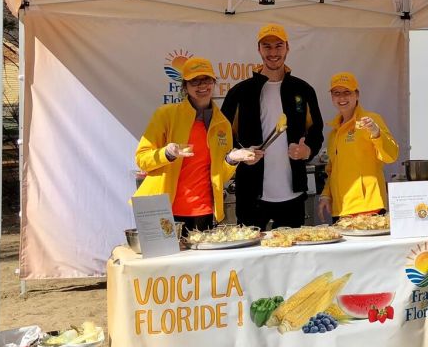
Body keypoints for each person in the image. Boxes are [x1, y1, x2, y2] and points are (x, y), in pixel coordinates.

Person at [134, 57, 260, 236]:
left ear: (214, 83)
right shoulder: (166, 115)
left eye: (206, 79)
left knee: (202, 265)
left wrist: (232, 159)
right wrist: (167, 153)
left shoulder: (222, 123)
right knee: (168, 264)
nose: (202, 86)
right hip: (164, 211)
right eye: (195, 81)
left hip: (204, 212)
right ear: (185, 87)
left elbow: (220, 175)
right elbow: (142, 159)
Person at [221, 23, 323, 229]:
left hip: (293, 194)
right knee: (250, 258)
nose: (273, 52)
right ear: (259, 49)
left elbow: (316, 131)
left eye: (279, 46)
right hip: (251, 194)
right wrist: (238, 154)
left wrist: (307, 150)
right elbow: (222, 136)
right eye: (267, 46)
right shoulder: (240, 92)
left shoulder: (303, 90)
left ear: (287, 48)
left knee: (291, 257)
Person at [317, 71, 399, 223]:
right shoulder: (334, 133)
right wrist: (326, 194)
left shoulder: (371, 121)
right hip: (341, 210)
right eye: (336, 93)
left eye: (347, 92)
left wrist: (376, 132)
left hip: (368, 208)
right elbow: (332, 169)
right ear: (332, 97)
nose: (342, 98)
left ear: (357, 95)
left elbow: (391, 155)